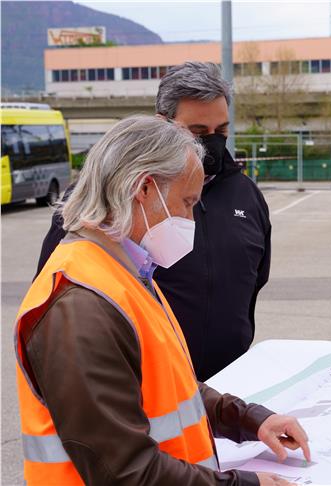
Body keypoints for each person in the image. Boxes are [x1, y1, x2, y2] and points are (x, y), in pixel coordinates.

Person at [16, 116, 308, 486]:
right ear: (144, 189)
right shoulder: (79, 306)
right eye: (186, 203)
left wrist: (249, 419)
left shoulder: (124, 272)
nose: (191, 219)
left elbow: (172, 385)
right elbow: (125, 472)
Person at [36, 62, 270, 381]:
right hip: (140, 395)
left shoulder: (245, 195)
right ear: (164, 124)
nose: (212, 144)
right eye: (198, 133)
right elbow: (58, 302)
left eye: (222, 131)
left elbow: (255, 281)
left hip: (228, 394)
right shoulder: (104, 198)